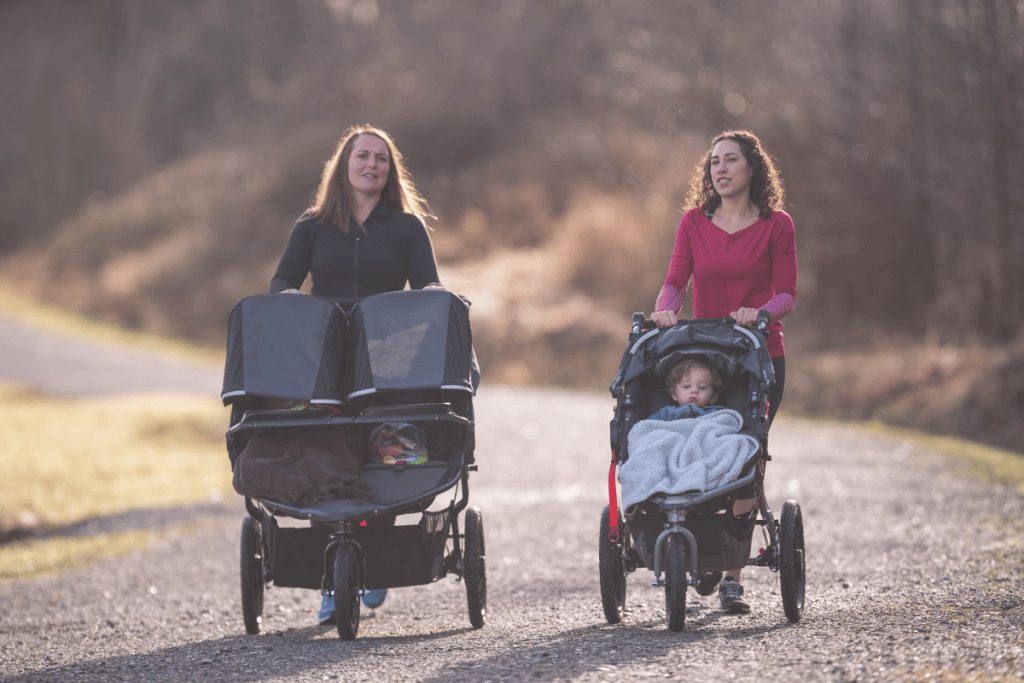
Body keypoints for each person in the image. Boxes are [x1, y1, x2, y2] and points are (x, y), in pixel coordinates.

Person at [270, 124, 441, 622]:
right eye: (363, 156)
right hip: (328, 358)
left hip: (389, 355)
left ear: (391, 171)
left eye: (381, 159)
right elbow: (282, 282)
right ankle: (330, 582)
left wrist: (426, 297)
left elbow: (429, 284)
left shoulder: (407, 227)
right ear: (344, 166)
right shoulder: (312, 226)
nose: (372, 165)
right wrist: (288, 298)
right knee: (329, 451)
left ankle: (380, 563)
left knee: (384, 451)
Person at [649, 130, 797, 615]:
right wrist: (665, 311)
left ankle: (731, 572)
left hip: (758, 358)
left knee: (742, 458)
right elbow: (675, 282)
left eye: (731, 160)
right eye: (714, 162)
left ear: (753, 168)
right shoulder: (693, 222)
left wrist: (761, 311)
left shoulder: (777, 225)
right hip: (706, 361)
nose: (721, 169)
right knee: (696, 451)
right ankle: (701, 549)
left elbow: (787, 293)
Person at [649, 358, 724, 421]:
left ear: (713, 397)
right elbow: (648, 427)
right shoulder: (666, 413)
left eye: (702, 387)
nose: (694, 390)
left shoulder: (718, 414)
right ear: (674, 393)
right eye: (686, 386)